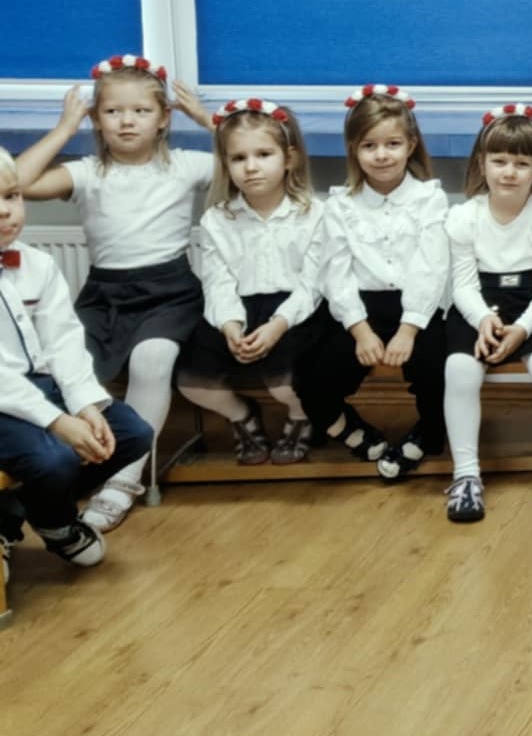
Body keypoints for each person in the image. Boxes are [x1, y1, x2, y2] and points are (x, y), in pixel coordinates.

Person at [10, 54, 213, 529]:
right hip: (105, 294)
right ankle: (65, 468)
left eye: (141, 110)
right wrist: (64, 128)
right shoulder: (86, 172)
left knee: (152, 360)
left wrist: (206, 119)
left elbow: (266, 154)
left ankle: (124, 480)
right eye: (112, 111)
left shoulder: (187, 166)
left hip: (170, 291)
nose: (127, 120)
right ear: (96, 120)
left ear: (164, 119)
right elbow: (14, 182)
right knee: (66, 372)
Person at [0, 144, 153, 574]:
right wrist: (56, 421)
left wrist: (85, 404)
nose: (6, 211)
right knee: (56, 458)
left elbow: (63, 342)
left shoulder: (38, 265)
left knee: (132, 433)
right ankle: (36, 520)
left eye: (11, 196)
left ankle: (39, 510)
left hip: (39, 386)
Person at [299, 85, 451, 480]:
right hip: (358, 309)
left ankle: (430, 434)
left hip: (416, 308)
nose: (381, 155)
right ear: (354, 149)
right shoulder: (339, 205)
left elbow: (431, 268)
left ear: (411, 145)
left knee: (437, 371)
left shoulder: (430, 199)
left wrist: (408, 330)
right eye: (369, 146)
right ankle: (347, 429)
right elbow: (335, 272)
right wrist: (360, 330)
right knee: (311, 378)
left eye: (392, 144)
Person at [441, 106, 532, 522]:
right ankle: (466, 474)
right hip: (479, 305)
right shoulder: (463, 217)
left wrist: (522, 329)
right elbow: (462, 284)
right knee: (460, 370)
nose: (509, 172)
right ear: (481, 164)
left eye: (521, 164)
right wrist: (483, 320)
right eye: (499, 161)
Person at [184, 98, 331, 467]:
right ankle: (242, 415)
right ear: (226, 164)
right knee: (193, 383)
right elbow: (218, 282)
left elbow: (313, 285)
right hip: (237, 307)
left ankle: (300, 416)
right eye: (238, 158)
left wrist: (277, 326)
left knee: (285, 384)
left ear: (289, 158)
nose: (251, 167)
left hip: (296, 311)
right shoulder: (217, 219)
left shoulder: (315, 214)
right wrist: (230, 325)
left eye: (264, 154)